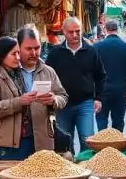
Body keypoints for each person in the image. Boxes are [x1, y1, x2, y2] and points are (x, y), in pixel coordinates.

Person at [0, 35, 67, 179]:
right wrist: (20, 101)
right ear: (2, 55)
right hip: (5, 144)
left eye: (37, 48)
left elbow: (63, 96)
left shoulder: (34, 72)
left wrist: (53, 100)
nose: (19, 58)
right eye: (15, 54)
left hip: (32, 140)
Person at [45, 17, 106, 151]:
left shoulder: (91, 52)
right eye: (71, 32)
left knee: (88, 140)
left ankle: (87, 168)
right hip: (62, 105)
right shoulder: (55, 53)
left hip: (85, 103)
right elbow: (46, 76)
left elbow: (100, 76)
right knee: (65, 141)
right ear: (64, 32)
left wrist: (98, 98)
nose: (75, 35)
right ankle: (70, 169)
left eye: (77, 31)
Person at [93, 20, 126, 131]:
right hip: (120, 90)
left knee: (101, 119)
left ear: (105, 30)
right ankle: (117, 145)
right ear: (117, 30)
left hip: (101, 91)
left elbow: (90, 70)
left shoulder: (97, 47)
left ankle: (102, 144)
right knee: (118, 121)